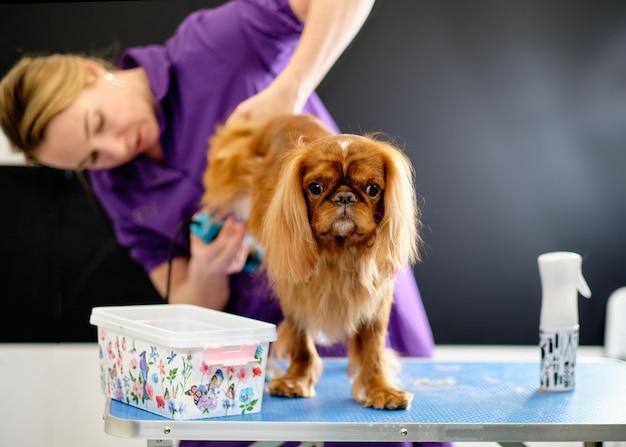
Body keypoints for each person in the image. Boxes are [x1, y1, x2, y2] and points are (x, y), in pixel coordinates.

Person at [1, 1, 446, 447]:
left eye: (98, 122)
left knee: (391, 433)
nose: (114, 149)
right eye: (90, 159)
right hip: (247, 340)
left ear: (92, 74)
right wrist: (206, 269)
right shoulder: (117, 186)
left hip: (356, 274)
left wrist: (289, 89)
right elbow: (187, 304)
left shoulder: (214, 41)